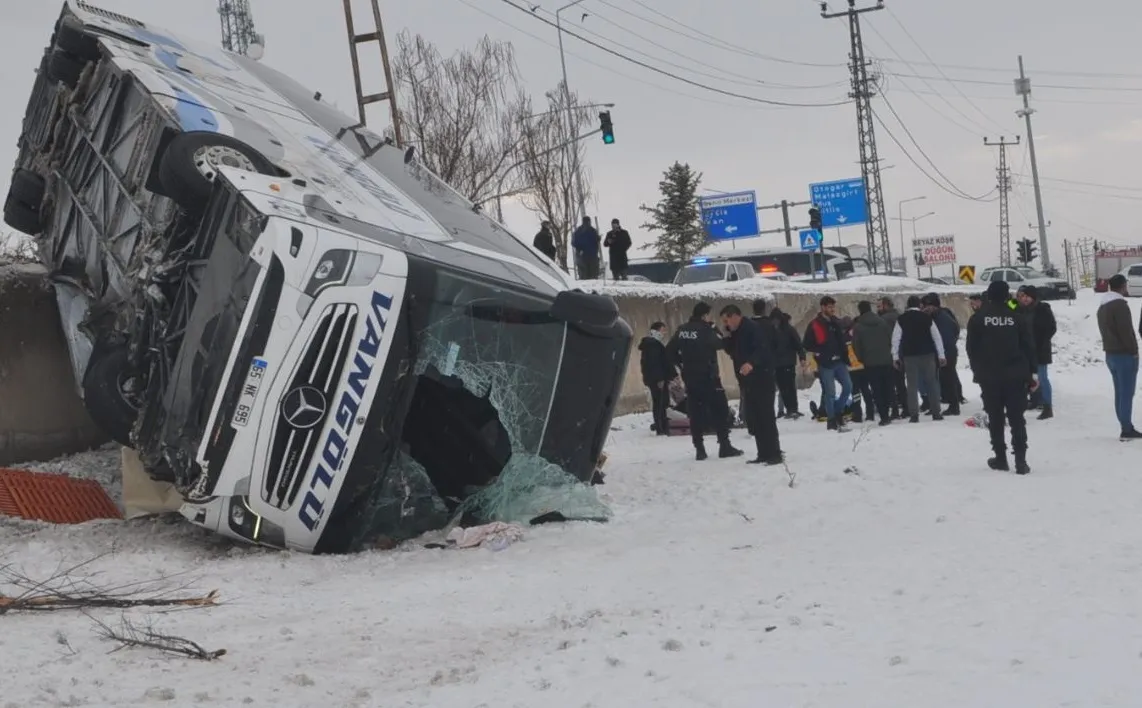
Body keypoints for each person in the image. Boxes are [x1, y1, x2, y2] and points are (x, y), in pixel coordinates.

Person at [966, 280, 1038, 473]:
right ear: (1007, 296)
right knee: (1017, 418)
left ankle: (1000, 458)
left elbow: (971, 349)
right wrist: (1032, 374)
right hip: (1015, 376)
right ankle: (1021, 461)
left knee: (996, 418)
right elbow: (1028, 347)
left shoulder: (978, 319)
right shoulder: (1016, 317)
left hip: (989, 377)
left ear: (988, 295)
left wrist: (977, 372)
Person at [667, 302, 744, 460]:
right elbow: (721, 344)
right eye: (709, 315)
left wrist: (681, 364)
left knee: (695, 413)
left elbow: (669, 351)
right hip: (709, 377)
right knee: (720, 410)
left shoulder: (682, 330)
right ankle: (724, 445)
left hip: (690, 378)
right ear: (704, 315)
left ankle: (699, 449)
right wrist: (717, 330)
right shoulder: (706, 330)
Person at [721, 304, 783, 465]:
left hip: (762, 377)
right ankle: (762, 452)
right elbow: (731, 351)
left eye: (727, 320)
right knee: (755, 417)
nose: (727, 324)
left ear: (735, 316)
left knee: (766, 416)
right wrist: (726, 336)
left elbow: (762, 350)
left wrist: (751, 363)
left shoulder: (752, 328)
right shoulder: (735, 333)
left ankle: (774, 453)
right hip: (747, 380)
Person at [1096, 274, 1142, 440]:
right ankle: (1126, 428)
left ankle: (1124, 424)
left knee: (1119, 392)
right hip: (1124, 354)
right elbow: (1126, 330)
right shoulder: (1120, 305)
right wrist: (1134, 350)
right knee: (1127, 392)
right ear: (1123, 286)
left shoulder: (1102, 306)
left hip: (1110, 353)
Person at [891, 295, 946, 423]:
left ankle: (914, 415)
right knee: (932, 383)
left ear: (908, 305)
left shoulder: (901, 319)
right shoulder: (927, 318)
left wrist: (895, 356)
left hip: (910, 356)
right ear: (920, 305)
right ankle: (936, 413)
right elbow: (936, 337)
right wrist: (941, 355)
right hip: (928, 355)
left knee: (912, 385)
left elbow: (896, 338)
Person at [802, 296, 852, 432]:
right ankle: (832, 419)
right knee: (830, 393)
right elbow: (806, 344)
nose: (832, 309)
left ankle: (838, 412)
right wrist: (819, 353)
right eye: (829, 307)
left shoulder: (837, 322)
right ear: (823, 307)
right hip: (826, 364)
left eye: (833, 307)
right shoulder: (815, 324)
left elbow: (843, 339)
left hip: (840, 361)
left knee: (848, 387)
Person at [1017, 285, 1057, 420]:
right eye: (1022, 296)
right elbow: (1007, 305)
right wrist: (1015, 298)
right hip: (1025, 350)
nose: (1024, 299)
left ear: (1033, 297)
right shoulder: (1020, 308)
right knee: (1027, 377)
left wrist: (1041, 342)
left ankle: (1047, 406)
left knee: (1042, 378)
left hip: (1039, 350)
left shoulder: (1042, 309)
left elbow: (1051, 328)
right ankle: (1034, 400)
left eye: (1027, 296)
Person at [852, 300, 895, 426]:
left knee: (876, 390)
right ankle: (887, 411)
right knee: (887, 387)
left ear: (860, 310)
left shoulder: (858, 327)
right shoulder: (882, 322)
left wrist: (862, 358)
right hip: (886, 360)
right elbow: (890, 338)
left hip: (870, 363)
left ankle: (883, 416)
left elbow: (856, 346)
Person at [922, 293, 963, 416]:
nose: (923, 310)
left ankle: (954, 406)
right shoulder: (942, 315)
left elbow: (944, 338)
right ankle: (951, 403)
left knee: (948, 379)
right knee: (947, 378)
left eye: (925, 307)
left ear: (932, 306)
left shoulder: (941, 319)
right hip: (947, 352)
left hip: (946, 353)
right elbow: (956, 330)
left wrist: (941, 353)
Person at [639, 322, 676, 436]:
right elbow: (655, 364)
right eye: (662, 330)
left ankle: (661, 424)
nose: (664, 333)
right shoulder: (653, 345)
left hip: (656, 378)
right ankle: (660, 427)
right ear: (656, 331)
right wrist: (659, 378)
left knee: (661, 402)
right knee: (660, 402)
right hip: (657, 379)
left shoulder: (654, 344)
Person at [771, 307, 805, 419]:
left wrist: (802, 357)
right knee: (783, 388)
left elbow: (798, 344)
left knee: (790, 386)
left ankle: (793, 409)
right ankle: (789, 409)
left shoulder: (789, 329)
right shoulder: (770, 330)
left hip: (788, 362)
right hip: (777, 363)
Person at [877, 296, 907, 419]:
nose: (877, 309)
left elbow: (884, 338)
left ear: (886, 306)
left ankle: (896, 409)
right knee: (900, 383)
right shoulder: (898, 316)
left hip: (890, 355)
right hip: (901, 353)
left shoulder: (884, 319)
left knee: (891, 384)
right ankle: (906, 407)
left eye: (879, 306)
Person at [842, 317, 869, 423]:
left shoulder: (843, 338)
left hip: (851, 369)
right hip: (862, 366)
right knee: (866, 390)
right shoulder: (859, 334)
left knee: (855, 392)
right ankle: (870, 413)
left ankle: (857, 414)